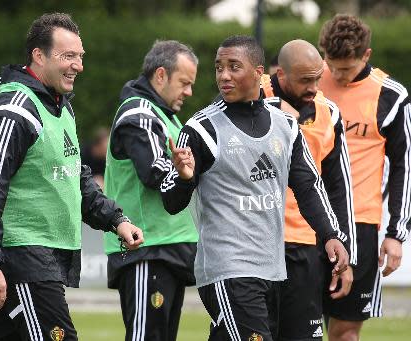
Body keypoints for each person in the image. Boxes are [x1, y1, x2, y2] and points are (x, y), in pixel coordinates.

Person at [0, 13, 144, 341]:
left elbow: (76, 177)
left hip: (40, 258)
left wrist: (116, 220)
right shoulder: (15, 111)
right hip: (23, 259)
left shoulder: (61, 108)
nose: (78, 66)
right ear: (39, 56)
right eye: (68, 56)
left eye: (80, 57)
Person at [160, 35, 350, 341]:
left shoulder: (286, 127)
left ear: (258, 73)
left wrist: (330, 235)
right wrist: (184, 178)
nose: (224, 75)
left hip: (274, 270)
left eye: (234, 67)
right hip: (228, 271)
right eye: (219, 67)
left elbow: (308, 187)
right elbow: (170, 201)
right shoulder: (201, 129)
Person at [318, 14, 410, 341]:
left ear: (366, 56)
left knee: (345, 334)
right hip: (304, 223)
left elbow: (404, 168)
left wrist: (396, 233)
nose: (338, 77)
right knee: (296, 326)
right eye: (333, 67)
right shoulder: (308, 83)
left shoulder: (392, 96)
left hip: (359, 226)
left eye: (348, 69)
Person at [260, 39, 357, 341]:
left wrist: (345, 253)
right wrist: (274, 107)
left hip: (304, 247)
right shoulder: (249, 94)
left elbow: (339, 188)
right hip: (255, 244)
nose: (314, 87)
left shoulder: (329, 113)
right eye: (305, 80)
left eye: (318, 77)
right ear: (281, 74)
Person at [103, 40, 199, 341]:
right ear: (160, 75)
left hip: (167, 248)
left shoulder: (164, 114)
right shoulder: (140, 114)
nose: (189, 92)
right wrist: (186, 175)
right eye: (184, 83)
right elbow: (155, 173)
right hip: (147, 249)